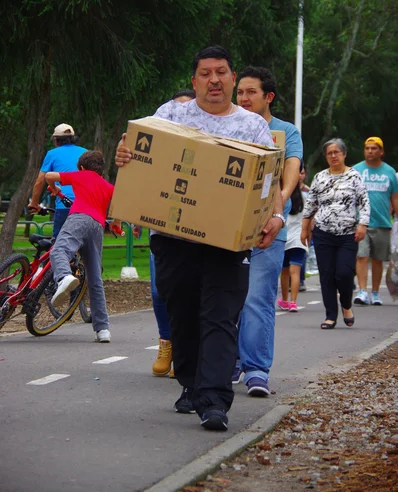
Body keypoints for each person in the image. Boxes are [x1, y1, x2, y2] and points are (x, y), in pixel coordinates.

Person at [115, 46, 283, 431]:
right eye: (205, 73)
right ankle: (191, 384)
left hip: (228, 243)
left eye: (221, 72)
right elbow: (140, 152)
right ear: (194, 81)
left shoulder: (251, 125)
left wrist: (274, 216)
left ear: (232, 78)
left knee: (221, 317)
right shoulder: (171, 115)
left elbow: (266, 177)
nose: (214, 80)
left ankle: (214, 400)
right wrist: (125, 154)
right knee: (184, 316)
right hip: (173, 239)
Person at [234, 66, 302, 396]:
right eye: (240, 93)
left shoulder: (285, 131)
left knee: (257, 297)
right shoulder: (228, 124)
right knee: (225, 296)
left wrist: (279, 206)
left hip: (268, 229)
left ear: (268, 97)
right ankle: (229, 361)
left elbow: (290, 168)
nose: (244, 99)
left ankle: (257, 369)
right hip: (228, 227)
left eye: (251, 93)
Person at [45, 150, 121, 342]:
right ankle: (103, 329)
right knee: (95, 278)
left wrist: (52, 185)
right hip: (97, 227)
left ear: (82, 167)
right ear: (101, 170)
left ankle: (63, 277)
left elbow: (48, 175)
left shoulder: (81, 174)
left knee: (59, 250)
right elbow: (121, 204)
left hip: (78, 218)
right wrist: (116, 224)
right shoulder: (107, 186)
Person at [300, 139, 370, 329]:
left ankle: (346, 305)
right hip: (323, 232)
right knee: (327, 275)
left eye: (336, 152)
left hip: (348, 234)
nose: (333, 156)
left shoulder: (354, 176)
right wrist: (305, 228)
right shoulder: (320, 177)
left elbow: (364, 202)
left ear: (344, 154)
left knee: (344, 273)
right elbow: (310, 204)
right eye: (329, 153)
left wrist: (363, 224)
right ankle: (330, 315)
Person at [150, 89, 196, 378]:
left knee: (191, 292)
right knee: (159, 290)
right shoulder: (161, 149)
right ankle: (166, 342)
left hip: (197, 232)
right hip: (162, 228)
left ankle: (184, 351)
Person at [353, 137, 398, 306]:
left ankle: (376, 292)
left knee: (378, 259)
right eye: (367, 148)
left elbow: (395, 198)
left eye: (374, 148)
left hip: (383, 222)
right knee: (362, 256)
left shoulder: (389, 172)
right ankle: (363, 291)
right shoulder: (356, 170)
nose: (370, 151)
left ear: (381, 151)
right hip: (361, 223)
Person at [29, 124, 87, 237]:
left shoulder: (52, 154)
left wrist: (34, 203)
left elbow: (40, 182)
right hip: (86, 208)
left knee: (58, 247)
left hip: (65, 206)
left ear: (56, 140)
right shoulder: (86, 153)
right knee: (84, 246)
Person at [278, 182, 307, 312]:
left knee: (284, 272)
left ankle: (284, 300)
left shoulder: (282, 199)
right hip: (299, 239)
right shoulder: (304, 199)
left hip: (284, 239)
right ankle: (293, 302)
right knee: (295, 272)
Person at [299, 164, 311, 291]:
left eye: (303, 173)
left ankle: (300, 280)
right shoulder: (289, 189)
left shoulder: (308, 191)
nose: (300, 176)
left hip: (303, 225)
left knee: (302, 255)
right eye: (299, 173)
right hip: (290, 225)